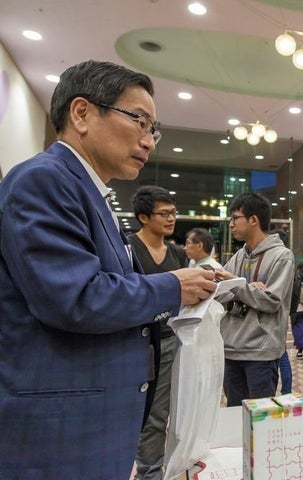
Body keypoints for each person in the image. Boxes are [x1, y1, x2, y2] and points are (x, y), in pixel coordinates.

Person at [0, 60, 216, 479]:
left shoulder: (94, 195)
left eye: (154, 129)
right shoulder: (43, 180)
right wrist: (173, 286)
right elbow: (76, 298)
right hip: (58, 431)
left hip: (95, 420)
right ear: (81, 113)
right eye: (139, 120)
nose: (148, 140)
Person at [128, 185, 188, 480]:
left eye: (173, 213)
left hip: (171, 339)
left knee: (162, 413)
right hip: (135, 342)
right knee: (138, 411)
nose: (171, 218)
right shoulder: (128, 249)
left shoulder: (177, 252)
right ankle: (147, 471)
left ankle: (152, 471)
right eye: (163, 213)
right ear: (143, 217)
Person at [215, 192, 295, 406]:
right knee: (233, 412)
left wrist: (237, 284)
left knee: (260, 420)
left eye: (235, 218)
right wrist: (248, 288)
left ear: (253, 220)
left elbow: (270, 301)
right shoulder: (239, 255)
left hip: (261, 351)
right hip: (231, 347)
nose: (231, 224)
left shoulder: (282, 256)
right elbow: (219, 292)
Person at [268, 227, 293, 394]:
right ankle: (287, 391)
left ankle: (287, 391)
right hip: (280, 320)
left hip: (274, 323)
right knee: (283, 358)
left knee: (282, 358)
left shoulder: (283, 258)